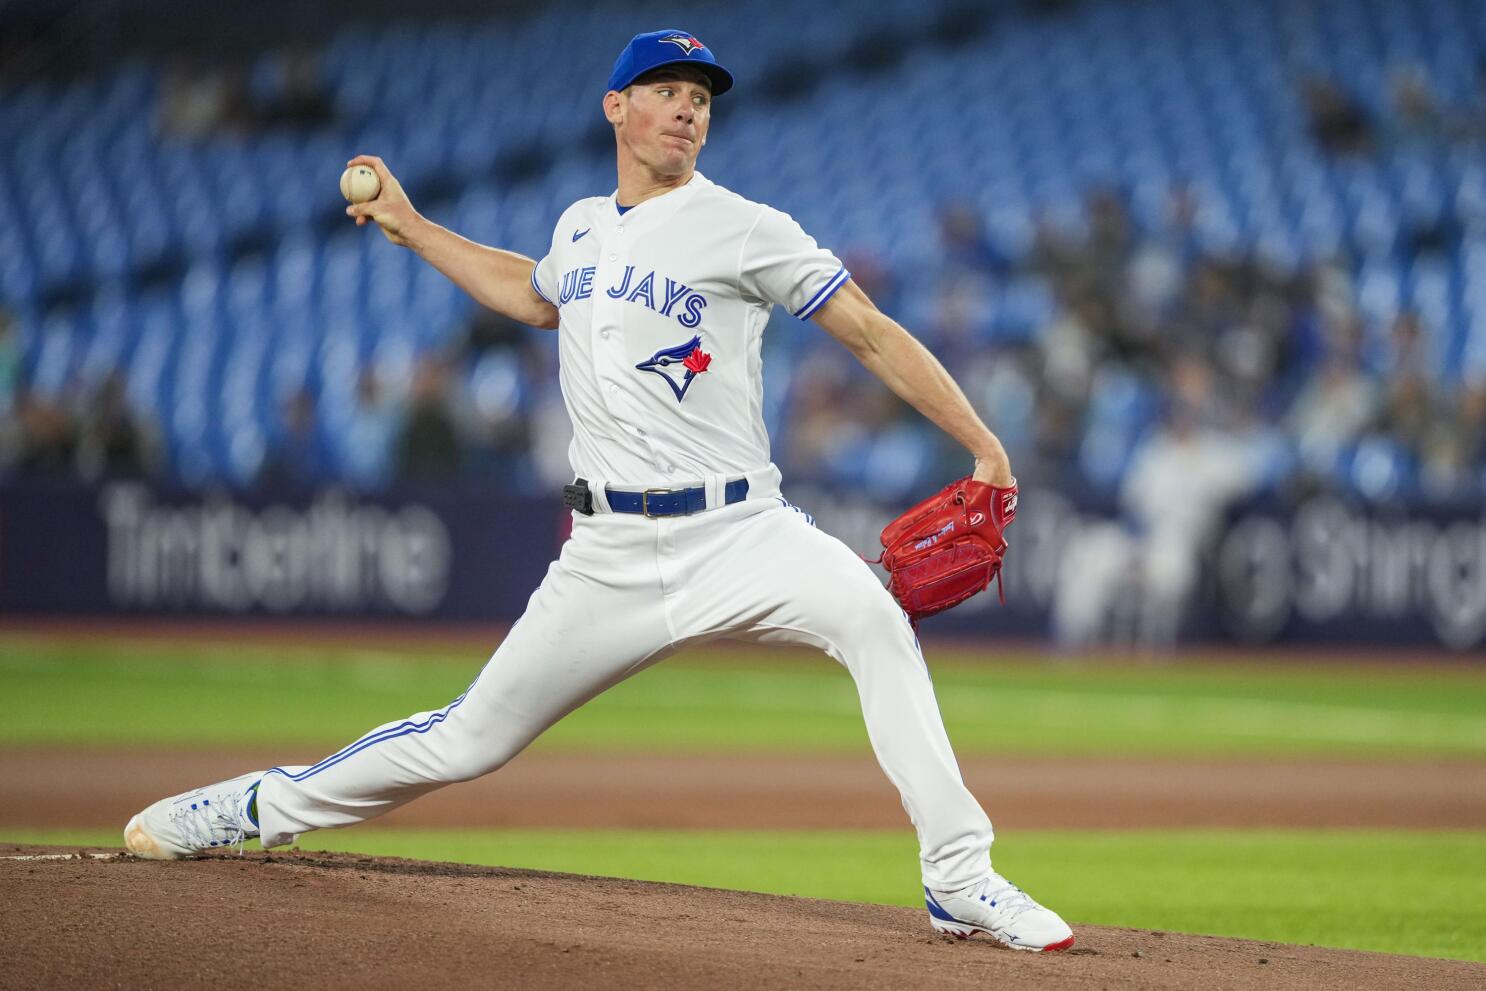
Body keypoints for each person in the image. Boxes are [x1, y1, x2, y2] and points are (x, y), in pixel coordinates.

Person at [123, 29, 1074, 952]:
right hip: (608, 555)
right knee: (467, 741)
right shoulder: (580, 224)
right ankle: (251, 806)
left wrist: (983, 443)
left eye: (700, 101)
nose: (687, 113)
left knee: (873, 620)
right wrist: (412, 229)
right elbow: (537, 295)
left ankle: (958, 873)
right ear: (615, 106)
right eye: (666, 93)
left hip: (744, 530)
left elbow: (865, 328)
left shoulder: (745, 228)